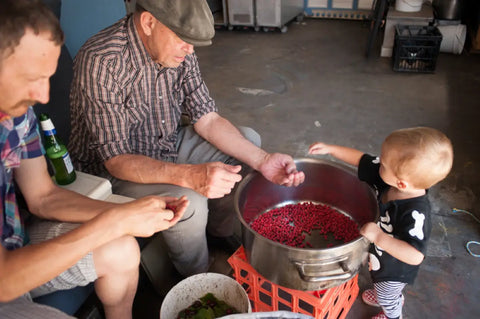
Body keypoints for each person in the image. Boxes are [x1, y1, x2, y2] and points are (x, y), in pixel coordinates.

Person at [68, 0, 305, 277]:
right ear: (148, 23)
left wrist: (264, 160)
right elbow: (116, 159)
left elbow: (208, 119)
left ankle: (218, 236)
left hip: (166, 142)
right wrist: (190, 176)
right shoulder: (101, 61)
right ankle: (199, 276)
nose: (190, 50)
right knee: (188, 200)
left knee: (247, 146)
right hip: (115, 171)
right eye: (184, 41)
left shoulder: (179, 47)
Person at [0, 1, 188, 319]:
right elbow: (4, 280)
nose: (44, 96)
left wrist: (126, 212)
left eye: (48, 77)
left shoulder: (17, 115)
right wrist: (111, 221)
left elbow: (43, 196)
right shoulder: (103, 59)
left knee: (121, 246)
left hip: (17, 241)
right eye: (32, 77)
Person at [308, 127, 453, 319]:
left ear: (402, 183)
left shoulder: (416, 213)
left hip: (394, 269)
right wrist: (331, 149)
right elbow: (362, 160)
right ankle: (383, 295)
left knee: (387, 294)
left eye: (383, 164)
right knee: (379, 284)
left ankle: (392, 314)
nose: (378, 164)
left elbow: (415, 256)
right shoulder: (390, 178)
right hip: (379, 257)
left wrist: (379, 237)